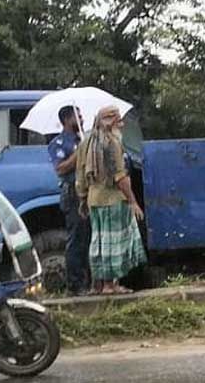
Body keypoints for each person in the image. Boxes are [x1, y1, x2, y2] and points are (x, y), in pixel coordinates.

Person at [75, 105, 146, 294]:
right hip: (113, 199)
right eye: (118, 120)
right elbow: (120, 176)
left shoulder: (86, 142)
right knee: (114, 243)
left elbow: (81, 175)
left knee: (99, 242)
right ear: (112, 121)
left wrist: (83, 198)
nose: (121, 124)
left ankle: (96, 285)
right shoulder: (111, 142)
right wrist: (133, 201)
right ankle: (110, 285)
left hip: (94, 200)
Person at [48, 106, 90, 295]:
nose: (81, 118)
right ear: (66, 119)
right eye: (77, 115)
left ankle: (91, 282)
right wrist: (78, 153)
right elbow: (61, 168)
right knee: (77, 239)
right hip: (72, 194)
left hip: (89, 192)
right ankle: (75, 284)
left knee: (90, 238)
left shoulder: (85, 139)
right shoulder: (58, 143)